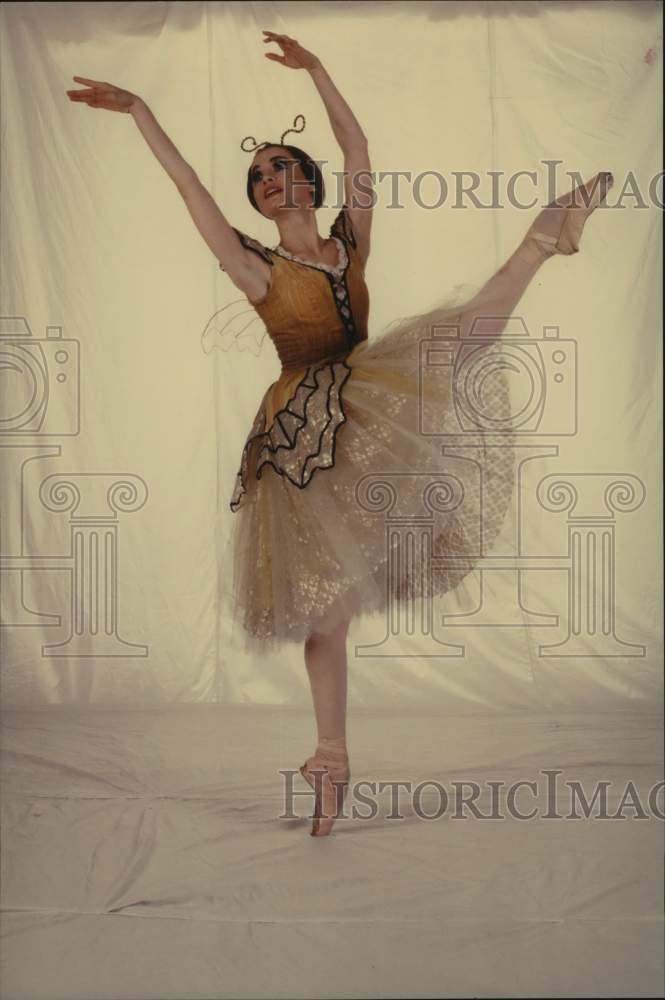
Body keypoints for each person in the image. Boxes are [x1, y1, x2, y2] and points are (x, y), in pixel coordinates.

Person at [66, 30, 613, 836]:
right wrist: (141, 110)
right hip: (301, 433)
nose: (270, 178)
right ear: (254, 201)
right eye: (258, 175)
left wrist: (317, 69)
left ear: (308, 181)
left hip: (368, 393)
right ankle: (330, 757)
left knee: (453, 338)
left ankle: (542, 238)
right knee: (326, 612)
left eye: (284, 165)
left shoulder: (349, 240)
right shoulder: (254, 266)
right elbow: (187, 190)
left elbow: (358, 147)